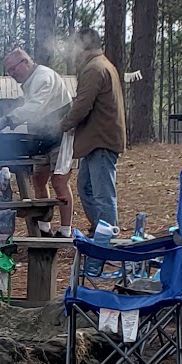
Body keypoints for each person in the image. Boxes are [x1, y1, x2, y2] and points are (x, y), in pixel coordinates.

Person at [57, 27, 127, 232]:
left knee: (102, 194)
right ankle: (100, 229)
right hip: (95, 141)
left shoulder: (94, 69)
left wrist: (62, 125)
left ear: (83, 46)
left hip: (101, 140)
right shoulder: (101, 65)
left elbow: (82, 105)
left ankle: (108, 237)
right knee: (86, 188)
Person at [2, 46, 76, 236]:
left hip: (61, 134)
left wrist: (8, 120)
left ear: (25, 62)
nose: (12, 75)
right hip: (43, 136)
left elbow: (34, 108)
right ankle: (44, 227)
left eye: (13, 69)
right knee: (38, 180)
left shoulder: (43, 77)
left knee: (59, 180)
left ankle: (66, 230)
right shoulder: (30, 81)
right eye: (9, 72)